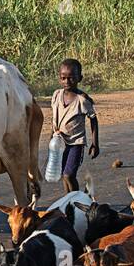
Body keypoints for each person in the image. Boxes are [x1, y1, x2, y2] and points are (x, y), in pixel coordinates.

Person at [50, 58, 99, 193]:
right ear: (59, 78)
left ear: (80, 78)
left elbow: (94, 120)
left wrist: (95, 144)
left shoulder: (82, 100)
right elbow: (54, 118)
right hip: (59, 143)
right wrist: (51, 137)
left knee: (69, 174)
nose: (67, 81)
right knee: (63, 175)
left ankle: (76, 199)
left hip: (75, 143)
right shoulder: (56, 95)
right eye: (63, 78)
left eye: (71, 78)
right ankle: (68, 201)